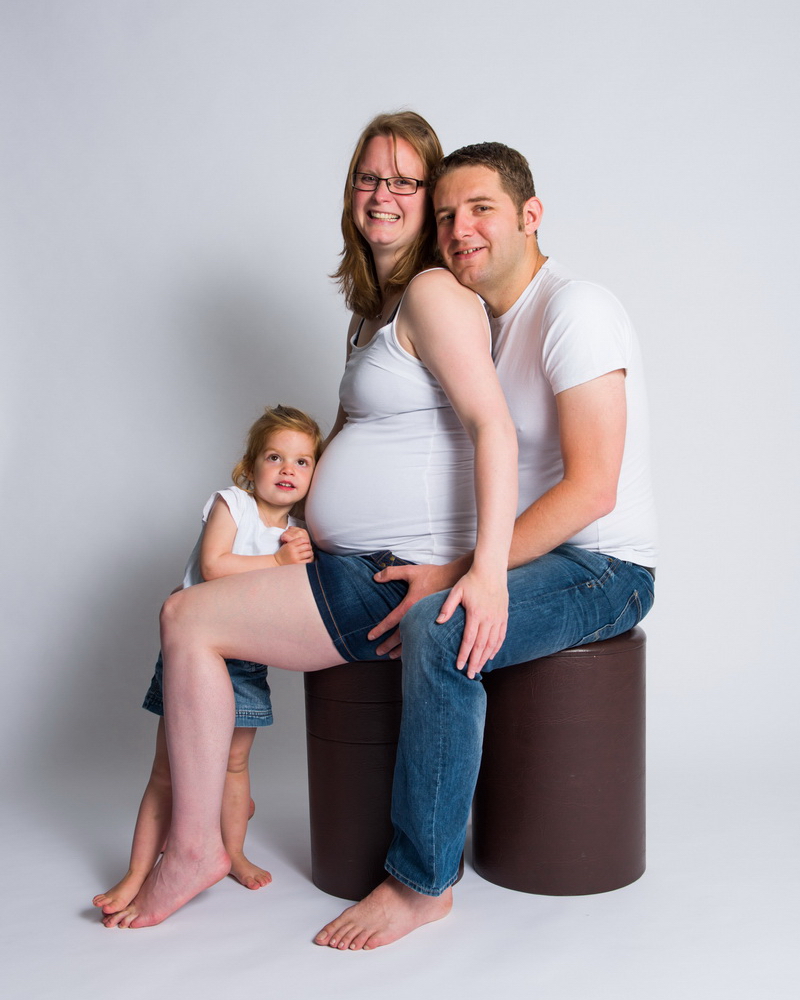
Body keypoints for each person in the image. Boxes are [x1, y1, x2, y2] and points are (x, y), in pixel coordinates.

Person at [102, 112, 518, 929]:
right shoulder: (373, 312)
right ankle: (194, 830)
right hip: (341, 562)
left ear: (429, 194)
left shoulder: (433, 294)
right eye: (369, 177)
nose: (383, 195)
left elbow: (492, 428)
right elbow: (346, 440)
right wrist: (277, 517)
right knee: (192, 602)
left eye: (404, 181)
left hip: (389, 574)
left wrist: (487, 570)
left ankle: (194, 847)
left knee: (187, 618)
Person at [314, 142, 658, 950]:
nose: (459, 229)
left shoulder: (576, 309)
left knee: (440, 630)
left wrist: (474, 573)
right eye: (445, 216)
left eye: (480, 209)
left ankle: (421, 884)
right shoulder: (484, 321)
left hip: (604, 567)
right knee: (427, 604)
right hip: (538, 557)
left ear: (530, 216)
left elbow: (593, 489)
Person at [95, 405, 322, 923]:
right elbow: (214, 565)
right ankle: (136, 872)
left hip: (247, 662)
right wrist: (279, 562)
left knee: (235, 766)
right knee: (167, 771)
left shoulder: (299, 533)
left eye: (302, 461)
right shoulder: (232, 504)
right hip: (195, 658)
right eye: (275, 457)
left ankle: (230, 853)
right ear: (250, 465)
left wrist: (299, 557)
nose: (287, 469)